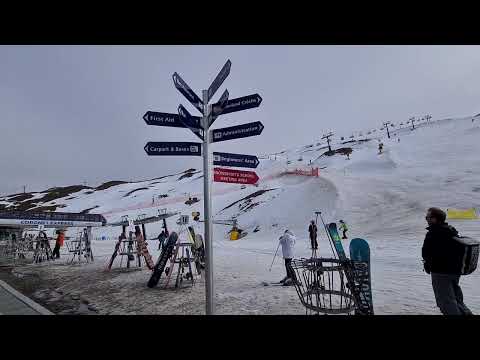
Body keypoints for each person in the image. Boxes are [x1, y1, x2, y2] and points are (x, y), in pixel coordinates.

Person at [422, 207, 473, 315]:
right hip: (454, 272)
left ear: (435, 219)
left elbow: (427, 252)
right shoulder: (450, 230)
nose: (426, 219)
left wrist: (429, 264)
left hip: (441, 272)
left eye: (428, 217)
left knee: (446, 302)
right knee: (457, 299)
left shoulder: (434, 233)